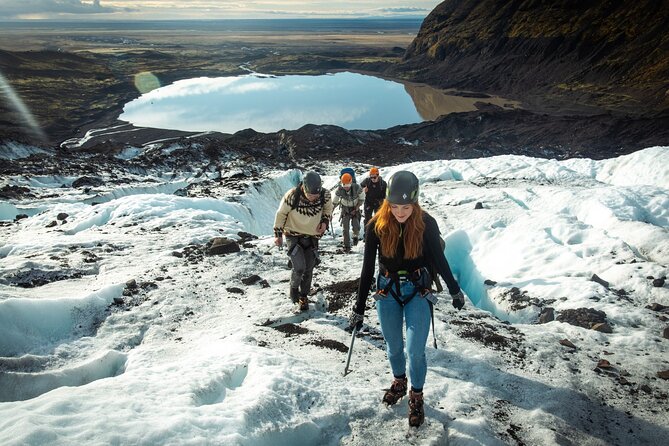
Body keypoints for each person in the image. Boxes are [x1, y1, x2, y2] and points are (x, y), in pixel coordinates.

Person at [348, 170, 465, 428]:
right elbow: (367, 269)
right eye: (395, 206)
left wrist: (455, 289)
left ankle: (416, 395)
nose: (400, 212)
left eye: (406, 207)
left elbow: (439, 259)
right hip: (387, 292)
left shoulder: (426, 223)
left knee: (415, 351)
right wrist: (358, 309)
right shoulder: (376, 225)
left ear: (415, 202)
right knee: (393, 347)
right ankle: (400, 382)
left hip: (417, 292)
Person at [274, 171, 333, 311]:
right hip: (293, 235)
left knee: (309, 269)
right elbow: (281, 214)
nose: (314, 198)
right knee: (299, 267)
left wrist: (324, 222)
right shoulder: (292, 196)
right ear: (304, 188)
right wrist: (278, 234)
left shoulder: (325, 195)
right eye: (311, 195)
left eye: (316, 195)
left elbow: (327, 210)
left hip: (312, 237)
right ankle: (294, 288)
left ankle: (304, 296)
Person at [333, 172, 365, 253]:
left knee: (356, 226)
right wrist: (330, 211)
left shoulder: (357, 188)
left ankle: (355, 236)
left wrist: (357, 208)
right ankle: (346, 246)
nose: (346, 187)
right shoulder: (339, 190)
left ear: (351, 183)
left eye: (348, 185)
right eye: (344, 185)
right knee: (345, 229)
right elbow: (335, 202)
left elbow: (362, 199)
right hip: (345, 209)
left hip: (355, 207)